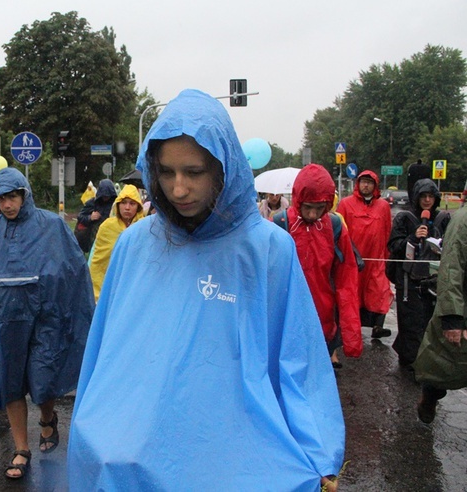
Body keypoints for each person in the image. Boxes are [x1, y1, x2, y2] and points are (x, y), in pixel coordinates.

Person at [68, 89, 344, 491]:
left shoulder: (268, 250)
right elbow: (101, 355)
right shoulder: (134, 245)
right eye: (165, 172)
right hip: (128, 458)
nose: (178, 189)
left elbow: (298, 362)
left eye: (194, 172)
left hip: (238, 461)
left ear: (223, 168)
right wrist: (91, 433)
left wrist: (319, 452)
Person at [0, 167, 94, 480]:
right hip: (7, 320)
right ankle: (21, 448)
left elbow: (73, 269)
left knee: (43, 378)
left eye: (13, 196)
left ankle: (47, 418)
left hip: (46, 317)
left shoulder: (52, 226)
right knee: (10, 381)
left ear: (24, 194)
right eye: (1, 198)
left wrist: (71, 307)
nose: (7, 204)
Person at [275, 164, 363, 368]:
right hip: (286, 317)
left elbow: (347, 280)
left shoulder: (334, 227)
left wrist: (351, 337)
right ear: (298, 200)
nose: (313, 215)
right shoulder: (280, 224)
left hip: (323, 319)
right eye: (308, 207)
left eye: (319, 208)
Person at [412, 201, 467, 423]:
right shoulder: (463, 221)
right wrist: (453, 317)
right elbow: (452, 268)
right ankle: (430, 396)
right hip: (461, 305)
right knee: (442, 362)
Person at [388, 178, 450, 369]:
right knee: (411, 322)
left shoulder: (444, 219)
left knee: (430, 322)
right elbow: (393, 246)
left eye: (431, 196)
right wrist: (413, 238)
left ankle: (427, 359)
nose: (427, 200)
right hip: (408, 280)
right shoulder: (404, 218)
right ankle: (411, 360)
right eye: (423, 196)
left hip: (433, 280)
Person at [337, 171, 394, 338]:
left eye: (370, 182)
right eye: (363, 182)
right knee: (353, 292)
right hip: (354, 259)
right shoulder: (346, 204)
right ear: (358, 184)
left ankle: (378, 325)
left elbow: (387, 230)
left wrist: (387, 255)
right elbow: (340, 230)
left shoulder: (383, 206)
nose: (366, 185)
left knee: (380, 291)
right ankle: (349, 327)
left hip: (376, 259)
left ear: (375, 186)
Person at [87, 184, 144, 301]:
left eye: (132, 204)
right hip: (109, 282)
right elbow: (98, 261)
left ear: (138, 207)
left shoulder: (144, 228)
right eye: (123, 203)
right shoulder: (107, 226)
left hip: (135, 286)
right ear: (117, 205)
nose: (127, 207)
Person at [74, 179, 116, 253]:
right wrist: (90, 217)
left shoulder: (115, 204)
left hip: (111, 236)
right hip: (94, 238)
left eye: (108, 196)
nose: (106, 198)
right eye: (104, 196)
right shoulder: (92, 203)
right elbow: (80, 217)